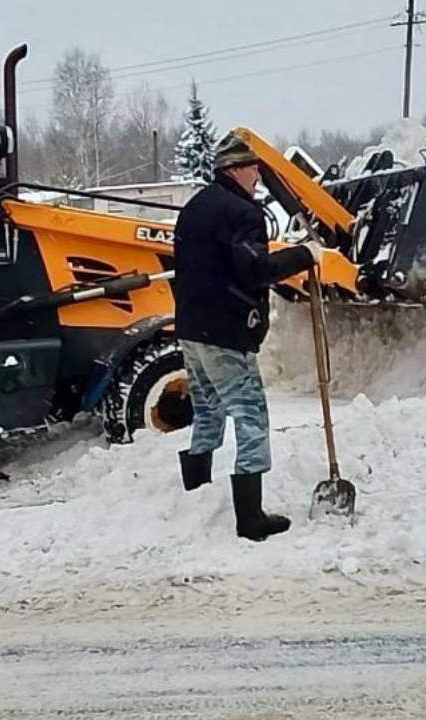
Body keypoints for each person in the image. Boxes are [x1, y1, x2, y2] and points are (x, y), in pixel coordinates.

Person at [172, 131, 321, 542]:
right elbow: (254, 270)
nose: (259, 175)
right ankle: (251, 519)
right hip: (225, 333)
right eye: (254, 167)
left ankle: (197, 492)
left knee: (208, 410)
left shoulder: (195, 207)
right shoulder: (243, 213)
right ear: (235, 169)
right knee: (251, 417)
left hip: (190, 329)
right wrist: (305, 255)